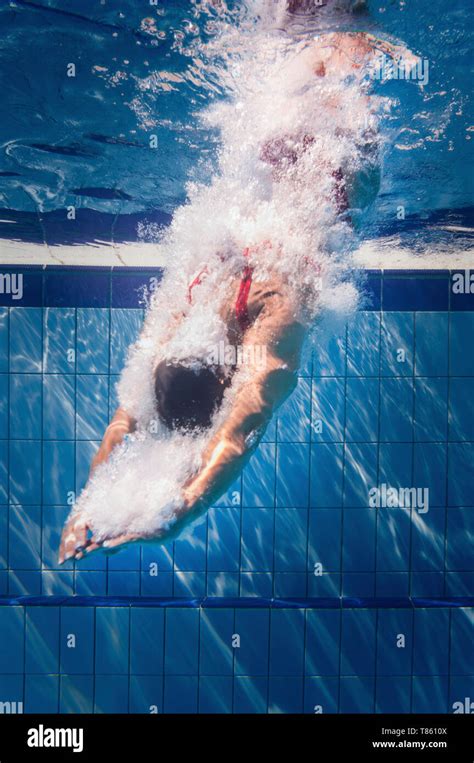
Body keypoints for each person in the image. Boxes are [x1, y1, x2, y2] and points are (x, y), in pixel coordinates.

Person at [59, 2, 418, 564]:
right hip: (333, 178)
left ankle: (324, 29)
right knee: (335, 62)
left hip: (305, 165)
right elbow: (237, 430)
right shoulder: (272, 312)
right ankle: (336, 29)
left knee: (312, 57)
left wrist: (91, 504)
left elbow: (127, 422)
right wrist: (179, 510)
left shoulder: (189, 307)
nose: (182, 335)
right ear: (227, 363)